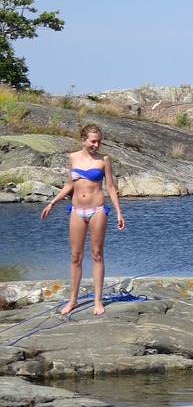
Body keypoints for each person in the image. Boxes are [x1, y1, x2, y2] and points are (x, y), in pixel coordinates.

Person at [40, 123, 125, 316]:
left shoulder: (104, 160)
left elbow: (110, 187)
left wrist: (119, 212)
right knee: (75, 256)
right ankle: (73, 300)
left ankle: (97, 300)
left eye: (99, 141)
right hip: (77, 210)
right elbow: (69, 184)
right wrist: (52, 202)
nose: (96, 145)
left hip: (98, 210)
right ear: (83, 140)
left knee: (97, 255)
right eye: (93, 141)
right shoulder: (73, 158)